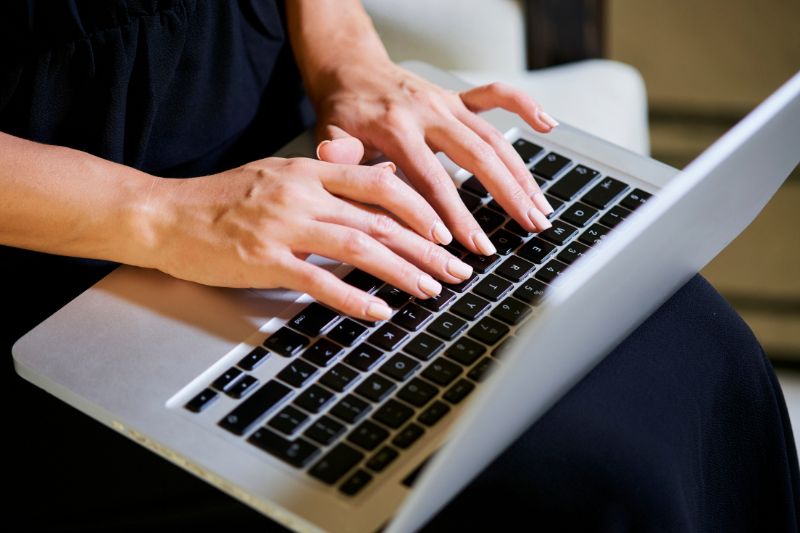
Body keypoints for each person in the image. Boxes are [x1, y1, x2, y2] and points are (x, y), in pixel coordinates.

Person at [2, 1, 798, 531]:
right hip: (57, 255)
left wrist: (349, 62)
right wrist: (162, 214)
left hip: (294, 159)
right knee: (580, 486)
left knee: (693, 344)